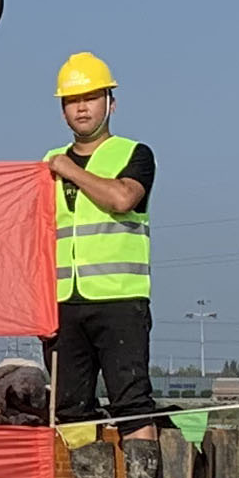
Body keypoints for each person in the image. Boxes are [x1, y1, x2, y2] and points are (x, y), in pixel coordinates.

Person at [44, 51, 161, 435]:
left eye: (90, 98)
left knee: (132, 405)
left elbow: (122, 199)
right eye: (73, 100)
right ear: (63, 110)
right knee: (70, 410)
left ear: (110, 103)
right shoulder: (46, 164)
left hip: (119, 301)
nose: (82, 108)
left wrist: (68, 170)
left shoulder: (134, 154)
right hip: (63, 305)